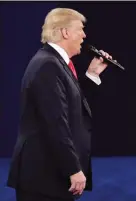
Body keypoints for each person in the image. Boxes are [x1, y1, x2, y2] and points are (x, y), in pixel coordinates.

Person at [7, 8, 113, 201]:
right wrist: (73, 169)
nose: (84, 35)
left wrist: (92, 75)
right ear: (65, 32)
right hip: (43, 179)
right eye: (80, 29)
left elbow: (71, 104)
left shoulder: (54, 62)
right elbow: (56, 122)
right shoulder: (48, 65)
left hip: (48, 176)